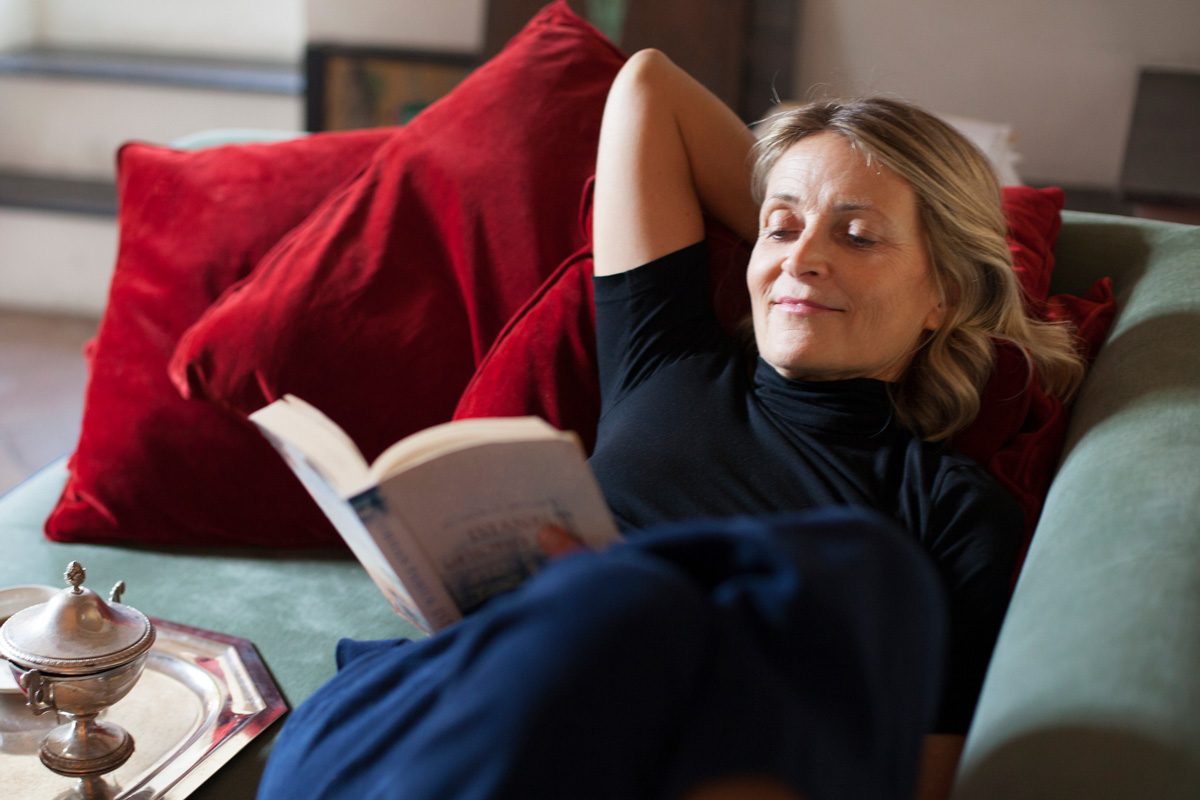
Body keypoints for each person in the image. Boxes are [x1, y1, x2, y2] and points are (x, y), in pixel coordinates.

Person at [257, 50, 1084, 800]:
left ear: (943, 294)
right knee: (629, 608)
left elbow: (923, 775)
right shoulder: (668, 357)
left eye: (860, 235)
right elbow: (648, 87)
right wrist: (810, 191)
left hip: (645, 743)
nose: (800, 259)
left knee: (842, 579)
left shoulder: (951, 505)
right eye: (780, 227)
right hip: (437, 709)